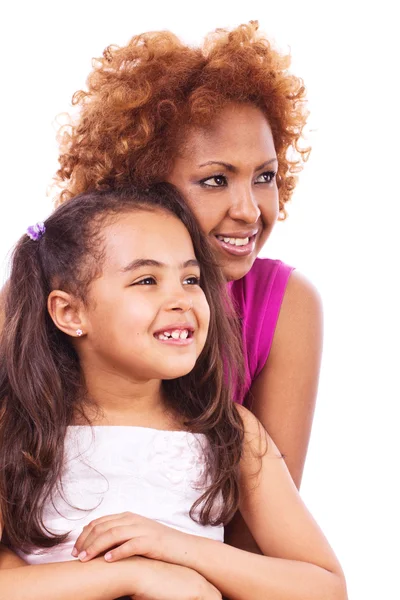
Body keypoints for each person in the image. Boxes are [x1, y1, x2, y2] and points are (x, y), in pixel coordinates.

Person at [52, 21, 324, 553]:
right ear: (144, 185)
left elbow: (261, 540)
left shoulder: (286, 306)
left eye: (264, 177)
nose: (248, 210)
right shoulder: (63, 284)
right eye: (216, 180)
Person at [0, 184, 346, 599]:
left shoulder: (231, 431)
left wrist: (174, 547)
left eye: (190, 278)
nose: (181, 299)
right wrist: (136, 575)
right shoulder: (18, 425)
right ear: (69, 312)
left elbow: (324, 588)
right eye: (147, 280)